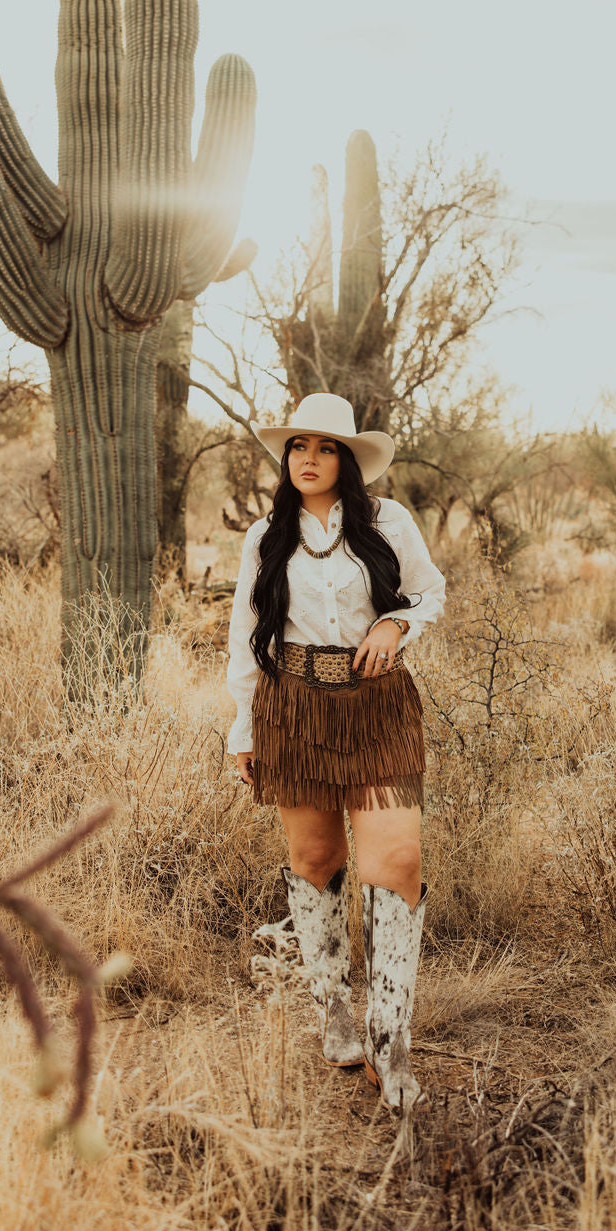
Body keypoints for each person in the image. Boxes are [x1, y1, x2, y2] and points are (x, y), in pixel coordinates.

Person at [226, 393, 446, 1112]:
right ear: (286, 457)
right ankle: (335, 1014)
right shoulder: (266, 536)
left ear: (347, 459)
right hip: (292, 705)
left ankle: (391, 1041)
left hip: (377, 704)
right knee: (316, 858)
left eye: (325, 447)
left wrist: (394, 624)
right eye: (298, 446)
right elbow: (245, 634)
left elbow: (429, 592)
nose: (309, 459)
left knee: (399, 861)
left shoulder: (388, 521)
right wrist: (243, 727)